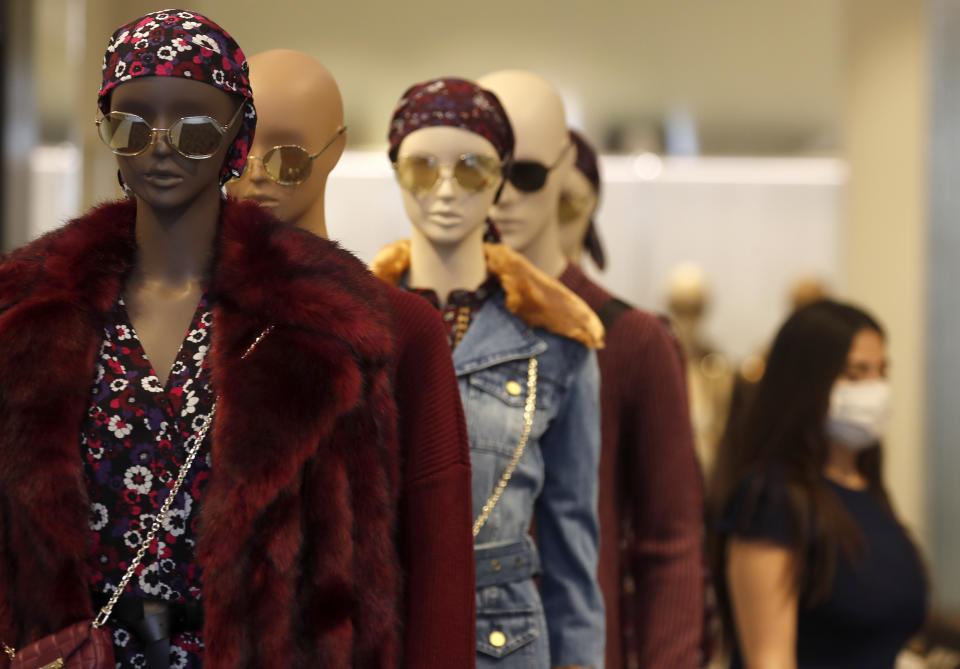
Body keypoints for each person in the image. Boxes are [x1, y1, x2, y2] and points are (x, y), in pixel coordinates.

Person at [0, 10, 401, 668]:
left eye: (191, 125)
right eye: (130, 122)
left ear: (236, 140)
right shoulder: (26, 309)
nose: (160, 144)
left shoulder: (323, 318)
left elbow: (356, 563)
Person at [226, 49, 475, 668]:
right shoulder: (176, 318)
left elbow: (440, 554)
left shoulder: (405, 329)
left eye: (285, 155)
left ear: (334, 149)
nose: (256, 174)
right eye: (239, 147)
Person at [370, 77, 606, 669]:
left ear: (501, 175)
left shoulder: (558, 343)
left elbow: (571, 540)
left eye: (472, 168)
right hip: (379, 623)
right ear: (395, 168)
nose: (446, 190)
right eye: (422, 167)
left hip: (504, 635)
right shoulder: (356, 327)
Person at [479, 70, 705, 669]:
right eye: (483, 169)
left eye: (523, 174)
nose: (500, 196)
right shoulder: (423, 326)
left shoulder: (631, 340)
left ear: (564, 174)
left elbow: (671, 540)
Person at [709, 299, 927, 668]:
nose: (874, 389)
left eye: (881, 371)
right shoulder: (771, 498)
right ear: (808, 382)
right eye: (855, 374)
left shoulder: (867, 489)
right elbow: (769, 659)